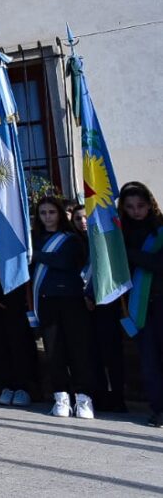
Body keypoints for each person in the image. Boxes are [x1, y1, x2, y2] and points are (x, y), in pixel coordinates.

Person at [31, 195, 96, 419]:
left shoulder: (71, 239)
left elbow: (65, 262)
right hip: (47, 300)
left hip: (72, 300)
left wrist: (36, 256)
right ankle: (61, 396)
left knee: (78, 349)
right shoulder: (35, 238)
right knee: (53, 350)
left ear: (60, 213)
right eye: (43, 213)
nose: (47, 217)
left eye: (51, 212)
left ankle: (83, 397)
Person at [0, 199, 38, 408]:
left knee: (20, 346)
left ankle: (24, 387)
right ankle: (7, 385)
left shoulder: (20, 237)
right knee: (0, 347)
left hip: (16, 303)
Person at [118, 182, 163, 427]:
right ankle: (159, 408)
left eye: (141, 206)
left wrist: (130, 254)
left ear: (150, 205)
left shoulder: (160, 230)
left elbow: (158, 264)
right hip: (139, 305)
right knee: (149, 361)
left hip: (160, 300)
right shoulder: (120, 234)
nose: (136, 211)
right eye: (130, 207)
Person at [79, 206, 126, 412]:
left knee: (112, 352)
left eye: (85, 217)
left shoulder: (106, 238)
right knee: (91, 354)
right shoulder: (74, 242)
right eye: (78, 218)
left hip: (107, 302)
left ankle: (117, 396)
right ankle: (98, 395)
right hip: (83, 306)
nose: (82, 221)